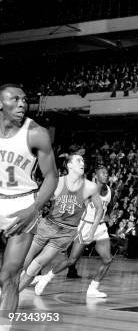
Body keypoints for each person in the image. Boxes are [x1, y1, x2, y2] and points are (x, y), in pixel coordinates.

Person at [0, 84, 59, 318]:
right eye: (14, 99)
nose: (22, 103)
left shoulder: (36, 133)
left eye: (24, 99)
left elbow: (52, 177)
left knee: (9, 276)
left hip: (21, 205)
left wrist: (33, 209)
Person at [18, 153, 103, 294]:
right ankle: (5, 289)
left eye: (83, 160)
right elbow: (38, 201)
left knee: (35, 266)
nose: (82, 162)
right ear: (69, 165)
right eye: (78, 160)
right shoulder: (57, 182)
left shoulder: (90, 187)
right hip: (48, 225)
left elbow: (99, 209)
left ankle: (11, 297)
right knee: (23, 261)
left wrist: (92, 230)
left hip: (66, 233)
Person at [34, 166, 113, 297]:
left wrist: (108, 216)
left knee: (108, 259)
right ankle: (46, 278)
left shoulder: (110, 190)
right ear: (96, 176)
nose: (107, 175)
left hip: (100, 227)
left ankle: (93, 289)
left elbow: (107, 207)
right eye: (103, 173)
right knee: (72, 260)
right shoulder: (88, 189)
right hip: (86, 226)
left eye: (107, 173)